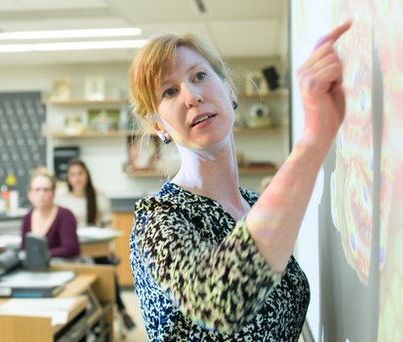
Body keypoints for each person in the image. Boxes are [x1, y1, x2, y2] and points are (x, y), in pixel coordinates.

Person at [128, 22, 351, 340]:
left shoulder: (255, 204)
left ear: (229, 91)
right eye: (169, 91)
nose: (191, 96)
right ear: (157, 126)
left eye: (200, 76)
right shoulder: (158, 219)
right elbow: (222, 301)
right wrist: (315, 137)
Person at [55, 159, 136, 330]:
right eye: (73, 175)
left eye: (80, 174)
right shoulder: (61, 198)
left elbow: (108, 226)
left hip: (97, 248)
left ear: (87, 175)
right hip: (72, 249)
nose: (77, 178)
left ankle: (120, 311)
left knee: (108, 273)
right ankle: (118, 312)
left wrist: (110, 250)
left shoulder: (98, 195)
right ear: (68, 178)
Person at [21, 168, 80, 258]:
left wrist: (41, 255)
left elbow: (71, 249)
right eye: (37, 189)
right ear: (30, 194)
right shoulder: (27, 218)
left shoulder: (65, 215)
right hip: (34, 269)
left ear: (53, 193)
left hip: (61, 267)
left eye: (46, 190)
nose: (41, 194)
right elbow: (23, 250)